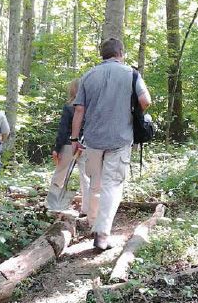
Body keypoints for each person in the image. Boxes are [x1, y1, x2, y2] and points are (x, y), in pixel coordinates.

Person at [71, 38, 151, 250]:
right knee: (112, 185)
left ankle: (94, 223)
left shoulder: (88, 76)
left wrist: (73, 139)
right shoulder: (131, 74)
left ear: (102, 55)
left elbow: (79, 110)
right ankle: (102, 233)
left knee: (95, 184)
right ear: (121, 53)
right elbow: (145, 101)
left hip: (93, 140)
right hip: (120, 138)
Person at [46, 79, 90, 216]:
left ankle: (52, 205)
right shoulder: (91, 107)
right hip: (87, 145)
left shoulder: (69, 107)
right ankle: (88, 209)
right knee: (86, 177)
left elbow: (63, 130)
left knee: (60, 175)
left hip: (67, 144)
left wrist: (56, 148)